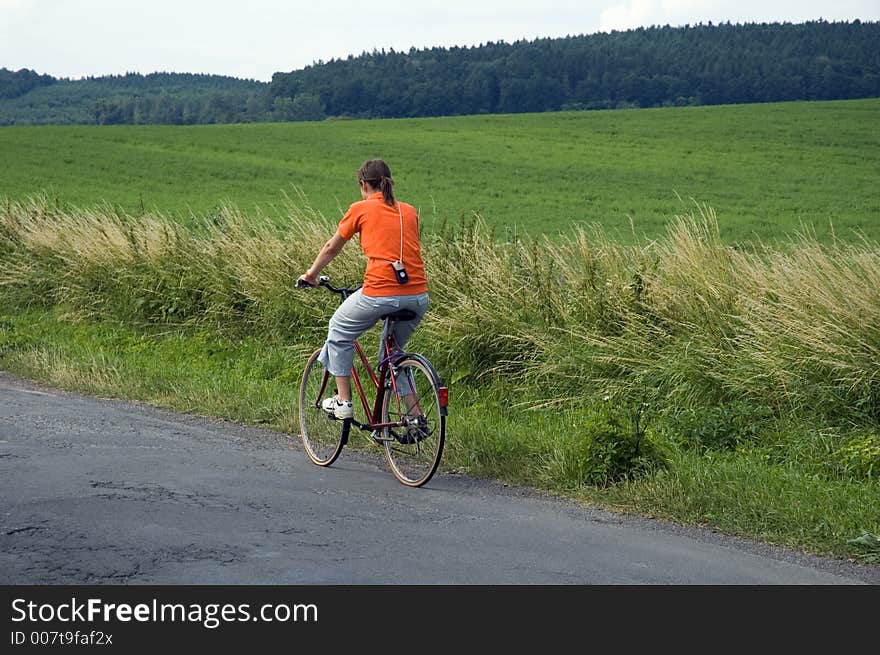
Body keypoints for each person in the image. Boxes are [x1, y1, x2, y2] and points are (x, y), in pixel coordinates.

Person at [297, 159, 429, 419]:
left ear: (363, 184)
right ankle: (415, 417)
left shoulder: (360, 209)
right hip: (417, 296)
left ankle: (343, 402)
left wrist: (311, 275)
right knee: (393, 356)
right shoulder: (409, 211)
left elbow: (331, 248)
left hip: (380, 293)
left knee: (338, 330)